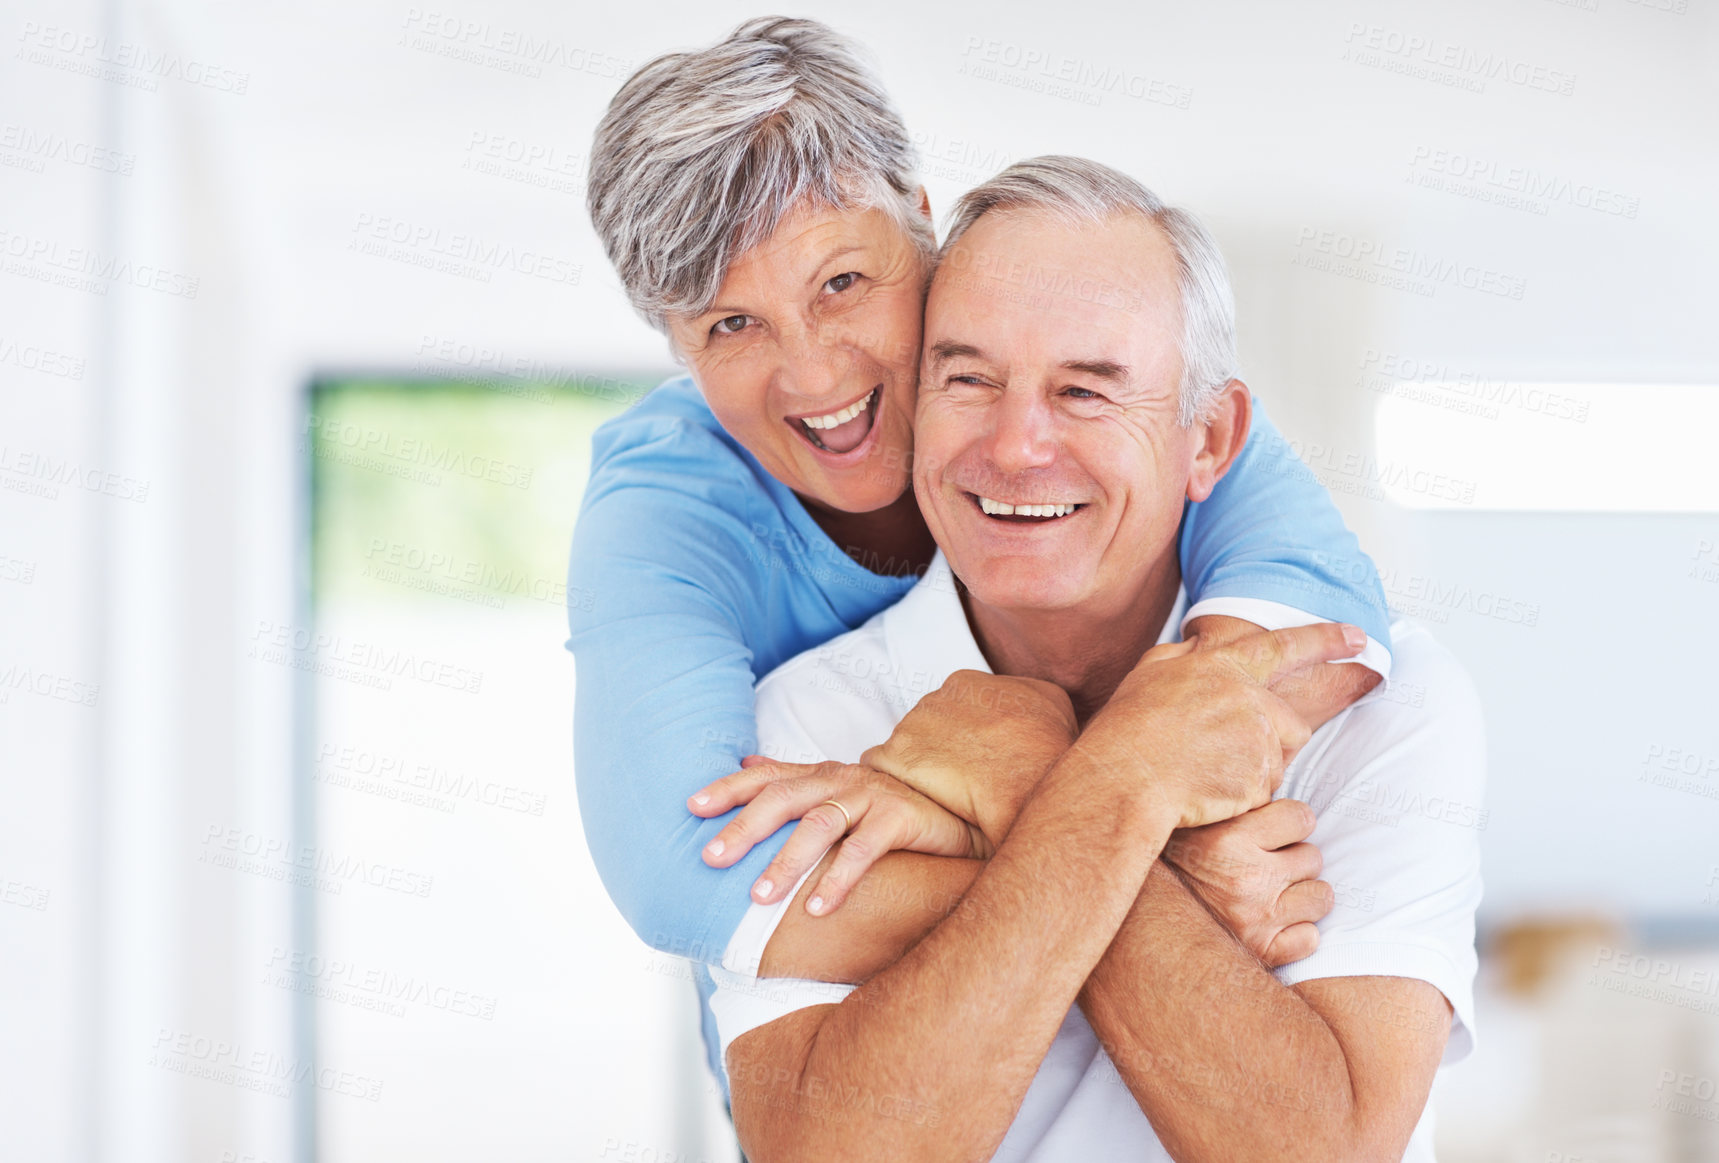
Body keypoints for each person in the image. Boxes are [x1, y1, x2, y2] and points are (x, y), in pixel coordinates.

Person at [569, 17, 1393, 1084]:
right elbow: (684, 874)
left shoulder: (1087, 381)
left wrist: (984, 815)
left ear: (922, 225)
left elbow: (1318, 617)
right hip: (851, 1047)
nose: (815, 377)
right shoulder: (665, 506)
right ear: (675, 347)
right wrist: (1154, 877)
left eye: (842, 284)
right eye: (730, 326)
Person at [694, 156, 1485, 1162]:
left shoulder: (1381, 701)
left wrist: (1026, 768)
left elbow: (1319, 1148)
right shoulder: (802, 720)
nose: (1017, 445)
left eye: (1085, 391)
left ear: (1210, 437)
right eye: (969, 379)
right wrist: (1123, 801)